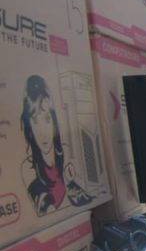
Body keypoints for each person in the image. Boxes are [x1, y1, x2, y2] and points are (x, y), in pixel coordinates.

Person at [20, 75, 92, 215]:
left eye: (47, 119)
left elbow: (85, 199)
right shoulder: (28, 168)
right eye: (35, 121)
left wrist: (70, 182)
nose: (43, 132)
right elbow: (44, 211)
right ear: (29, 127)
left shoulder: (65, 153)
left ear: (54, 121)